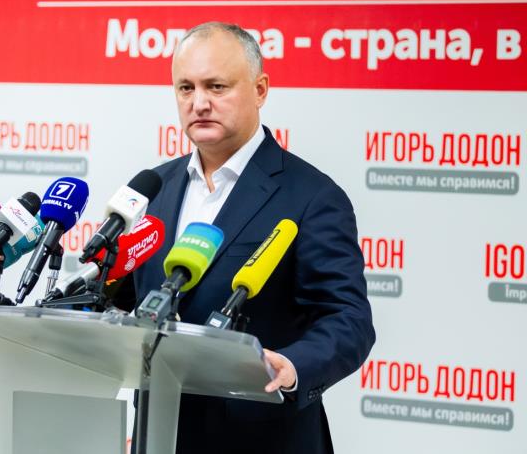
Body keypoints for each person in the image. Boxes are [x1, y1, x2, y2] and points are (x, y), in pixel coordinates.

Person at [121, 22, 375, 454]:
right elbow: (125, 295)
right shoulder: (153, 189)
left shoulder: (312, 196)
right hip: (160, 433)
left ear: (260, 90)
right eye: (186, 88)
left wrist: (293, 366)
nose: (199, 103)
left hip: (263, 438)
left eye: (216, 86)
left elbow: (348, 319)